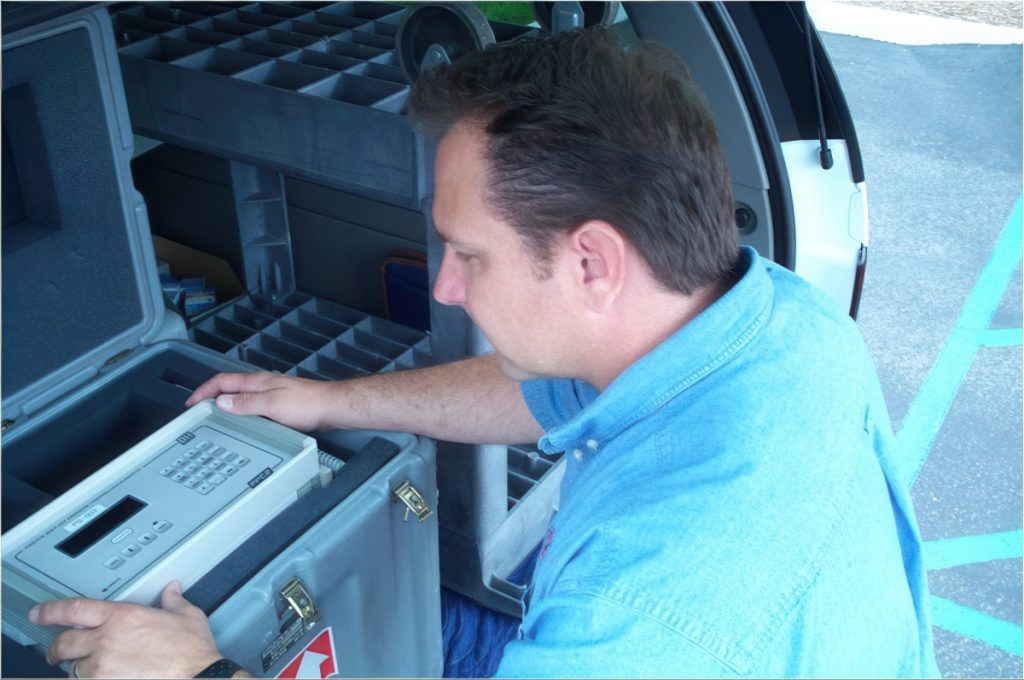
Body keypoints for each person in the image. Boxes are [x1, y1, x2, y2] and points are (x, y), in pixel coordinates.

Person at [33, 26, 938, 678]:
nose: (445, 288)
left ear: (592, 261)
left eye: (469, 254)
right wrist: (329, 400)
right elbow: (544, 394)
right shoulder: (775, 318)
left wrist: (197, 673)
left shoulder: (639, 625)